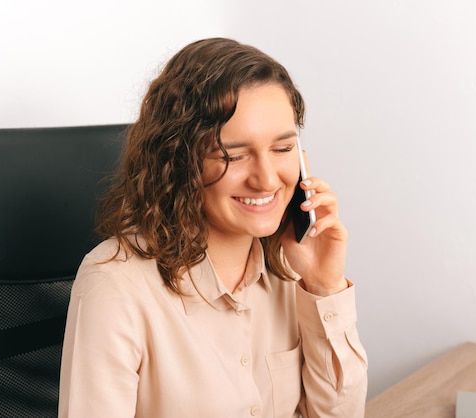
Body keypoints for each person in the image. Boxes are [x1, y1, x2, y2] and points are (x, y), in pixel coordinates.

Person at [58, 37, 367, 417]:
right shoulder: (115, 286)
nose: (267, 179)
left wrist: (323, 287)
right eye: (233, 155)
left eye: (283, 149)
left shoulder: (290, 269)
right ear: (180, 161)